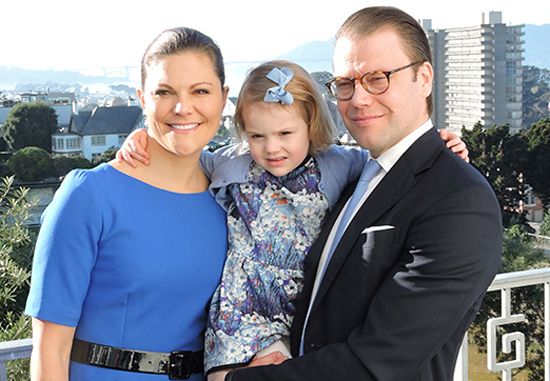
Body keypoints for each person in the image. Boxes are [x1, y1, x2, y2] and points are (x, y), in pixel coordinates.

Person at [118, 58, 470, 380]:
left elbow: (396, 164)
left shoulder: (340, 164)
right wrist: (144, 138)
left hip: (306, 319)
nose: (272, 148)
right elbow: (182, 154)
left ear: (310, 124)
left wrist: (440, 145)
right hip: (242, 314)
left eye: (286, 134)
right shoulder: (233, 165)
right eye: (257, 136)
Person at [220, 6, 503, 381]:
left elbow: (378, 361)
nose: (359, 99)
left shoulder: (460, 200)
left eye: (378, 78)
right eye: (346, 84)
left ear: (424, 78)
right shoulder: (349, 174)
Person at [25, 27, 230, 381]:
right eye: (164, 92)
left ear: (223, 98)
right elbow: (49, 349)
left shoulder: (230, 195)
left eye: (200, 91)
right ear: (142, 98)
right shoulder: (89, 195)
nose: (183, 108)